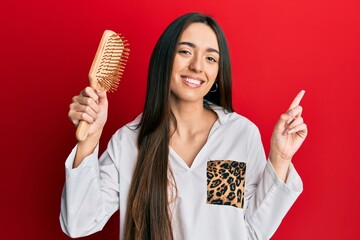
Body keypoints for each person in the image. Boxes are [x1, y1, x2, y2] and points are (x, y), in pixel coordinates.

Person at [60, 12, 307, 240]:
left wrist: (281, 157)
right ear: (165, 58)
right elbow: (79, 223)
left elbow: (251, 230)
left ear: (218, 72)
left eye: (210, 58)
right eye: (185, 52)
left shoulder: (237, 135)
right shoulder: (129, 142)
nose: (197, 66)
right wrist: (89, 141)